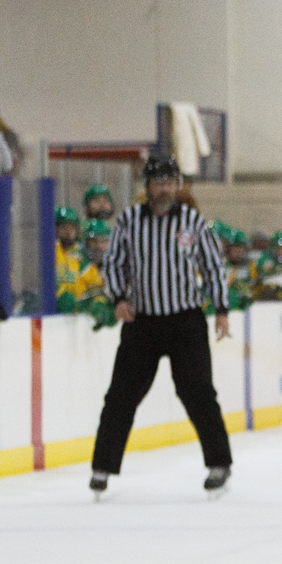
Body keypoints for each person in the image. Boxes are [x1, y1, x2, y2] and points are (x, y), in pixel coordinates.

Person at [89, 156, 232, 496]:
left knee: (197, 392)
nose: (166, 188)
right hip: (143, 322)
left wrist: (222, 309)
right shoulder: (129, 221)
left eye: (171, 182)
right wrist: (118, 299)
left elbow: (213, 267)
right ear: (148, 186)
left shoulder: (193, 221)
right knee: (122, 395)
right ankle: (102, 467)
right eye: (159, 182)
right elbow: (112, 263)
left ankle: (219, 463)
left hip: (186, 321)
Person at [75, 219, 116, 328]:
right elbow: (76, 300)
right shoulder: (78, 266)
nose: (98, 246)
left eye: (103, 241)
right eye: (93, 241)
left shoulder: (117, 268)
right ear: (85, 243)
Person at [210, 221, 254, 312]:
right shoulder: (218, 267)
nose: (238, 251)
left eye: (240, 247)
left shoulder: (250, 268)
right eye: (234, 247)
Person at [54, 207, 83, 313]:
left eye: (72, 227)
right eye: (64, 227)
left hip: (75, 312)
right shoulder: (49, 251)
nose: (68, 232)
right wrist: (59, 293)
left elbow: (90, 279)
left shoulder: (80, 254)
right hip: (53, 311)